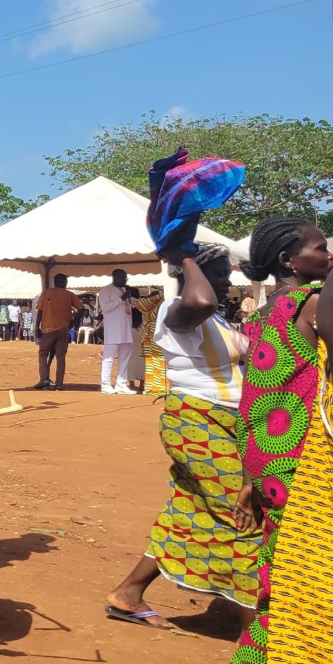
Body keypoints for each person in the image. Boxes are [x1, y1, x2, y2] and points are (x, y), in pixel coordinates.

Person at [105, 243, 259, 633]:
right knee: (242, 516)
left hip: (224, 422)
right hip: (198, 423)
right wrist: (185, 257)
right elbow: (201, 299)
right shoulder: (176, 313)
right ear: (198, 276)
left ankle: (128, 593)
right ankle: (258, 631)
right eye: (221, 274)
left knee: (189, 510)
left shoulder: (218, 322)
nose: (228, 282)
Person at [233, 218, 332, 663]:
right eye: (320, 248)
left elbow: (257, 392)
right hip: (304, 459)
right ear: (288, 260)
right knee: (304, 573)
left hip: (267, 458)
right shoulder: (310, 304)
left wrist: (248, 478)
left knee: (280, 565)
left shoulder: (262, 311)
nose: (328, 255)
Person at [34, 274, 84, 390]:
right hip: (63, 328)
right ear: (65, 283)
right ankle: (59, 383)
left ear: (55, 282)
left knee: (43, 353)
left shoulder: (46, 293)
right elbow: (82, 308)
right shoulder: (69, 295)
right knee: (60, 356)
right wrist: (73, 322)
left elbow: (40, 311)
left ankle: (44, 379)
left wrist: (37, 327)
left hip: (48, 328)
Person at [99, 270, 138, 394]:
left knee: (125, 358)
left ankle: (121, 384)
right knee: (108, 358)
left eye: (126, 278)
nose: (125, 280)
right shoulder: (105, 290)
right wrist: (120, 299)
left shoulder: (124, 290)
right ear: (115, 277)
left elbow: (132, 305)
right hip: (113, 330)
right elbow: (105, 308)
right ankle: (105, 384)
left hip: (126, 330)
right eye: (123, 278)